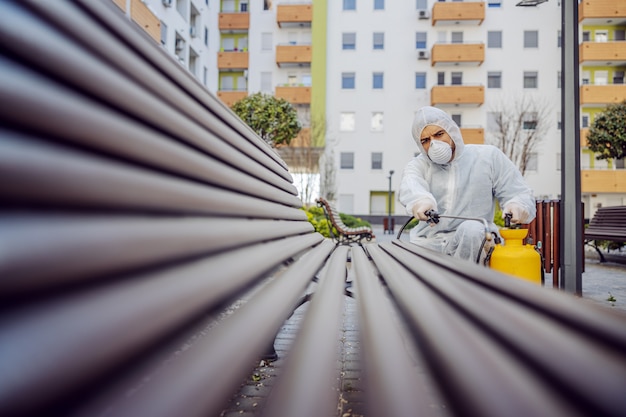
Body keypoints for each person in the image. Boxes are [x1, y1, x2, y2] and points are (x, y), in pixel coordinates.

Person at [398, 106, 536, 263]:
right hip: (429, 244)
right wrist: (421, 201)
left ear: (452, 131)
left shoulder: (488, 157)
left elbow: (518, 192)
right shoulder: (418, 165)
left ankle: (466, 285)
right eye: (425, 140)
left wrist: (517, 205)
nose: (434, 144)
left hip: (476, 242)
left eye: (439, 134)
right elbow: (411, 184)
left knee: (472, 229)